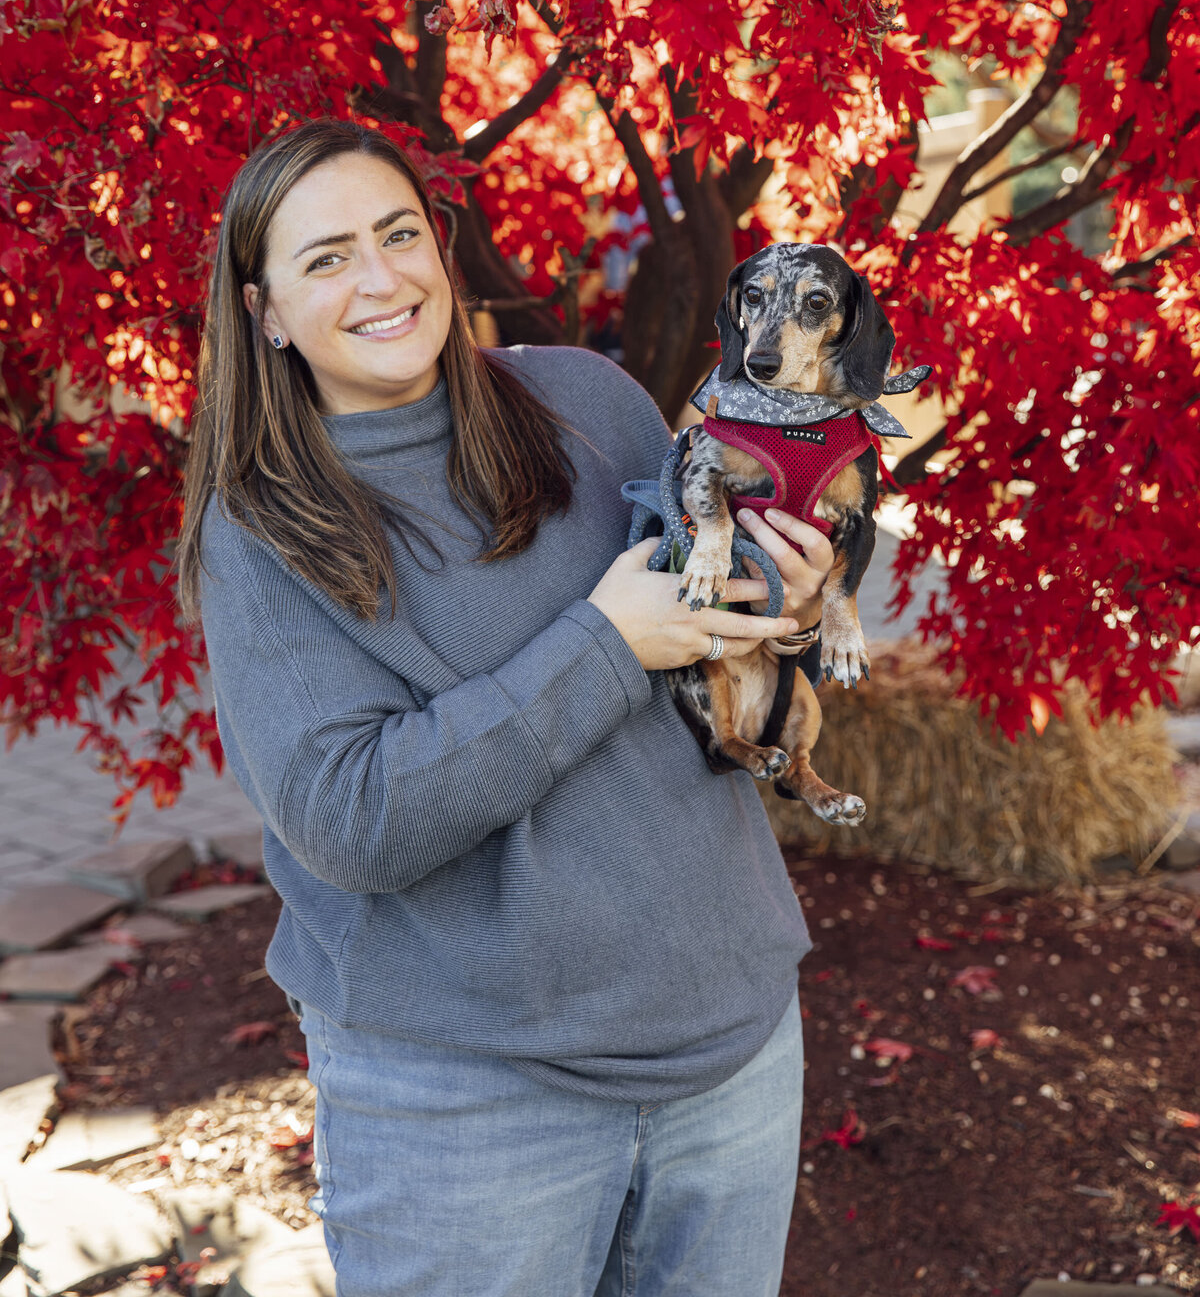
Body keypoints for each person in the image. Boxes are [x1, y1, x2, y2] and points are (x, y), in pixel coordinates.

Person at [176, 118, 834, 1297]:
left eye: (399, 235)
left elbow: (711, 657)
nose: (382, 279)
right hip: (467, 1106)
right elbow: (355, 820)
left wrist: (786, 609)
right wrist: (606, 647)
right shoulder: (263, 527)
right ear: (264, 308)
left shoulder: (590, 399)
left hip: (730, 1051)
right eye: (326, 259)